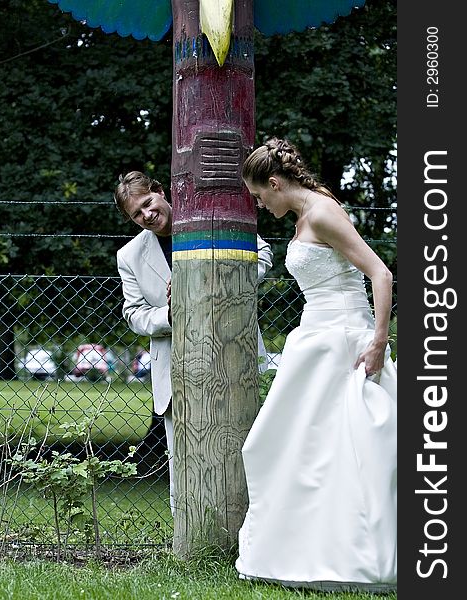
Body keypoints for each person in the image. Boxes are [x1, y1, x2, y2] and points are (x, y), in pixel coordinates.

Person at [235, 138, 397, 592]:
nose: (261, 205)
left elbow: (380, 274)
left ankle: (353, 557)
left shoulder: (323, 213)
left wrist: (379, 342)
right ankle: (298, 549)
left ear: (274, 183)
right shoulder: (307, 213)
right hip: (314, 339)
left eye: (259, 196)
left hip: (343, 340)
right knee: (293, 447)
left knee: (344, 451)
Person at [113, 171, 273, 513]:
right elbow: (134, 314)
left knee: (250, 445)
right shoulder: (128, 256)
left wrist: (220, 286)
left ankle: (258, 528)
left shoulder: (207, 215)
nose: (147, 216)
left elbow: (261, 253)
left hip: (234, 351)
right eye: (136, 215)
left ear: (159, 191)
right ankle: (187, 535)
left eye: (147, 203)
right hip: (175, 366)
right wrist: (171, 314)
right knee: (181, 455)